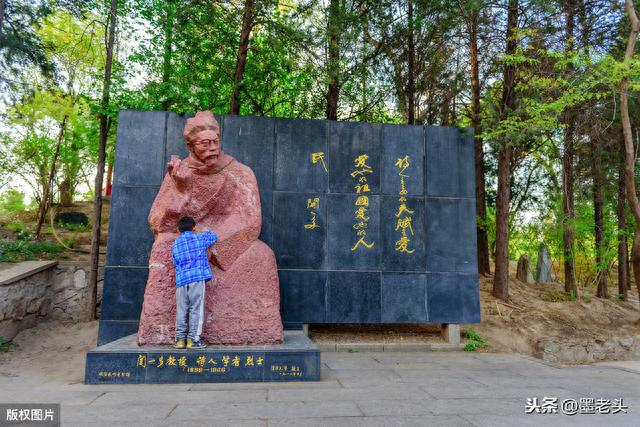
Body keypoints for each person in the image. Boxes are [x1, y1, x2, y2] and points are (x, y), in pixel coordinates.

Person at [172, 215, 218, 349]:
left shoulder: (176, 243)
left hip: (181, 280)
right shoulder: (199, 238)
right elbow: (213, 236)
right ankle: (193, 340)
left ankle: (180, 340)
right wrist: (201, 231)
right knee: (196, 309)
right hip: (196, 278)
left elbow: (175, 262)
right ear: (194, 227)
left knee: (181, 309)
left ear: (178, 230)